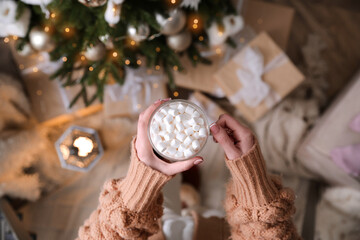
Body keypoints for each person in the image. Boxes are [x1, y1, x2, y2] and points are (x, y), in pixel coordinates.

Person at [77, 99, 300, 240]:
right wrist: (254, 188)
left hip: (159, 232)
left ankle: (179, 186)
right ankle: (189, 197)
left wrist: (137, 190)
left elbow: (101, 235)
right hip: (214, 234)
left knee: (166, 187)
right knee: (188, 203)